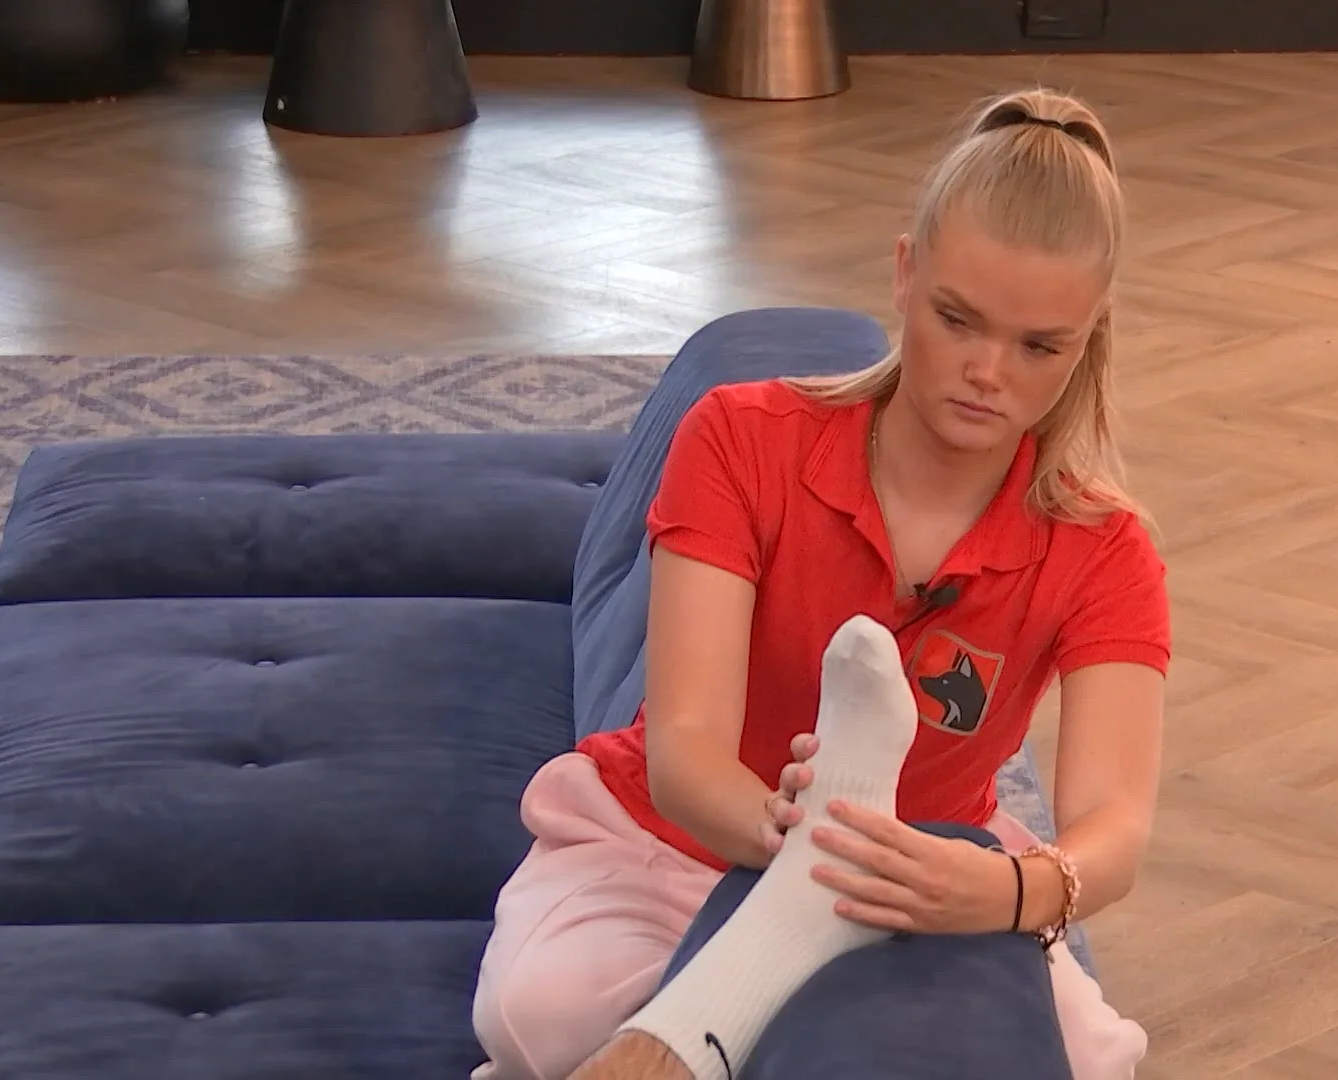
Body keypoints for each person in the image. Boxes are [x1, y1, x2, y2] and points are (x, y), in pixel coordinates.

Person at [471, 84, 1170, 1080]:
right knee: (538, 1017)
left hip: (929, 876)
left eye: (1038, 346)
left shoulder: (1105, 549)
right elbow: (686, 754)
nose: (988, 371)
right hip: (681, 846)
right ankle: (789, 937)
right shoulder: (740, 438)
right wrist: (801, 844)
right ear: (904, 272)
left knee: (1093, 1063)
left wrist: (1010, 891)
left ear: (1089, 335)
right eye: (958, 319)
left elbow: (1115, 831)